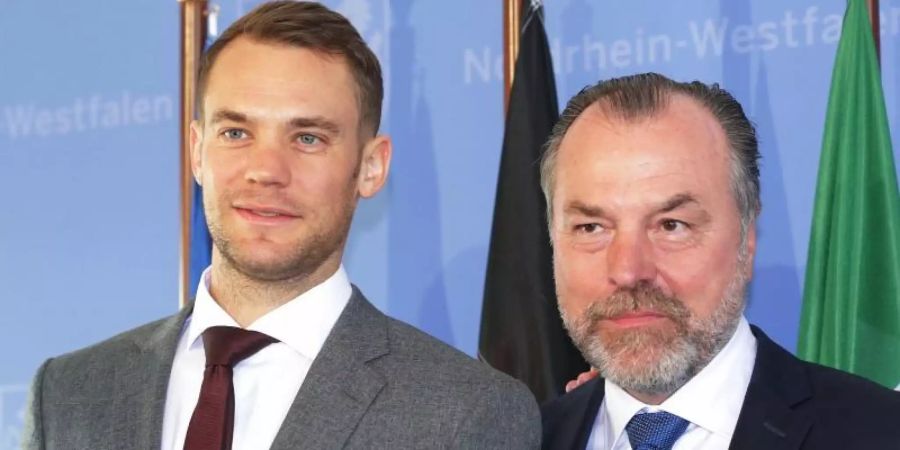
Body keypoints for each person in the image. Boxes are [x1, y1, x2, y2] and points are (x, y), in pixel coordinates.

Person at [22, 2, 539, 449]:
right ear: (197, 151)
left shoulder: (463, 411)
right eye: (236, 131)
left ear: (371, 167)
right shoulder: (69, 393)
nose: (266, 170)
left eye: (308, 138)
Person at [539, 73, 900, 449]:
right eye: (591, 227)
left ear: (747, 239)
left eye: (671, 225)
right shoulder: (522, 439)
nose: (628, 271)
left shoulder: (882, 432)